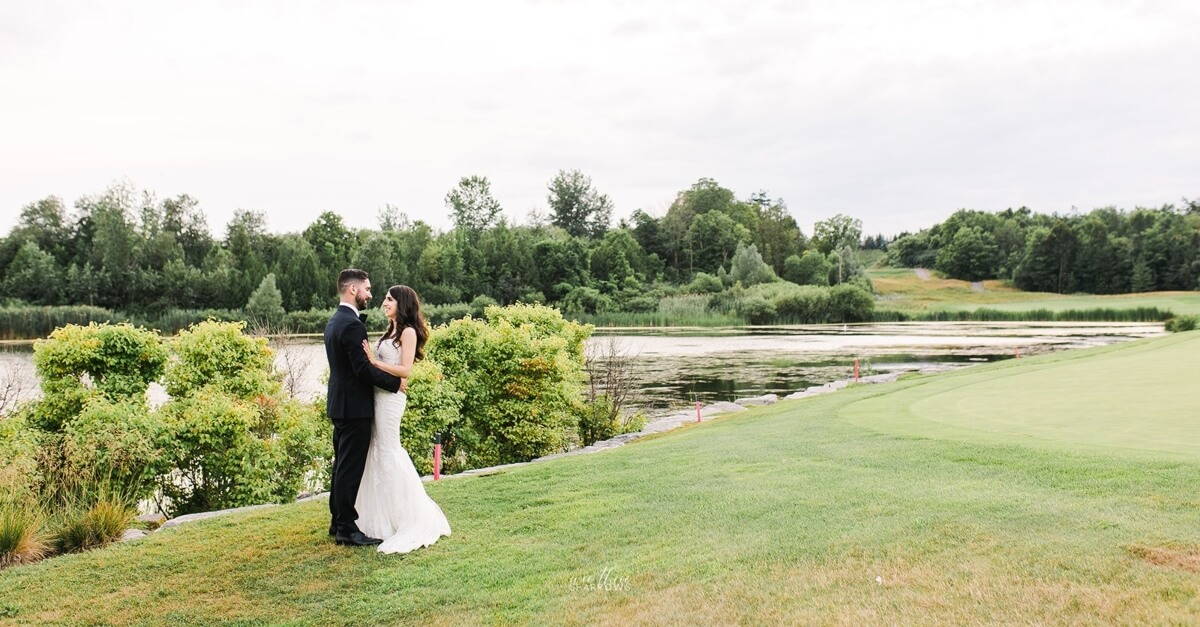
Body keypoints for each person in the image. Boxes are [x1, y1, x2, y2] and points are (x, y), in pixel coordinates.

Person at [355, 284, 451, 554]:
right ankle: (377, 517)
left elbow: (405, 370)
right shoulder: (391, 330)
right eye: (384, 298)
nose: (384, 302)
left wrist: (373, 362)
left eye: (389, 299)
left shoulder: (407, 332)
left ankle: (408, 517)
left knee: (389, 450)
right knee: (376, 451)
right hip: (377, 397)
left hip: (390, 400)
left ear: (402, 303)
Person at [323, 268, 403, 547]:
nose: (370, 294)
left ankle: (337, 521)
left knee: (341, 466)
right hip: (354, 407)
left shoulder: (334, 321)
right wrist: (395, 383)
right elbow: (361, 369)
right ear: (353, 290)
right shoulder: (352, 325)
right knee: (350, 468)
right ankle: (346, 528)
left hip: (339, 405)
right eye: (367, 289)